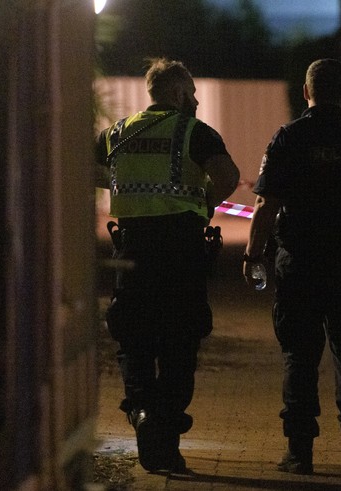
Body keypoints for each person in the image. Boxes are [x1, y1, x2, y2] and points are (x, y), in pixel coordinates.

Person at [94, 58, 240, 473]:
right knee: (180, 338)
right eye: (191, 92)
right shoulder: (194, 131)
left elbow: (88, 168)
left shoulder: (118, 133)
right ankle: (168, 432)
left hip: (132, 250)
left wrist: (121, 183)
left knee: (133, 336)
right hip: (180, 251)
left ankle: (141, 412)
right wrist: (204, 202)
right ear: (177, 93)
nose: (195, 99)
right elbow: (228, 177)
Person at [242, 58, 341, 475]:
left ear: (306, 92)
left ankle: (300, 452)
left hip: (301, 263)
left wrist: (253, 254)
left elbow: (267, 203)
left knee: (299, 357)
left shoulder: (290, 137)